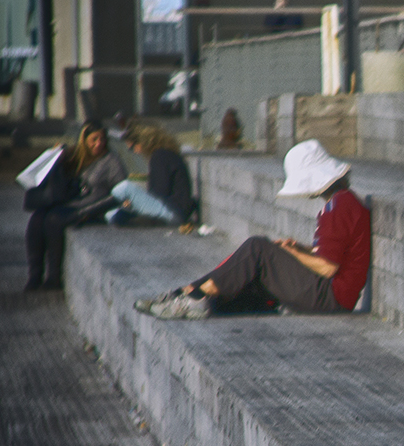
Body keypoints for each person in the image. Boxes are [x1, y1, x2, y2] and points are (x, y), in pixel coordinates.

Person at [134, 139, 370, 319]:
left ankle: (190, 294)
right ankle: (194, 299)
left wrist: (292, 254)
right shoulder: (342, 202)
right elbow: (329, 254)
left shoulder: (339, 206)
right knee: (251, 278)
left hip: (331, 298)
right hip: (332, 297)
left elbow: (328, 267)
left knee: (257, 248)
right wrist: (301, 249)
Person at [25, 120, 127, 291]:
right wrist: (56, 157)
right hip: (70, 203)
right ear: (84, 140)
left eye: (102, 139)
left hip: (93, 207)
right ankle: (34, 275)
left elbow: (121, 190)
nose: (98, 144)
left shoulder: (111, 161)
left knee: (53, 220)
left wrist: (94, 210)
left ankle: (54, 277)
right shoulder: (75, 156)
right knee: (37, 219)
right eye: (94, 139)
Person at [105, 123, 194, 226]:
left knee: (124, 188)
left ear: (142, 142)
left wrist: (135, 202)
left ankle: (100, 211)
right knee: (110, 215)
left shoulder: (159, 156)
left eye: (132, 148)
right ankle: (119, 215)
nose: (135, 151)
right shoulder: (165, 154)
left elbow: (159, 193)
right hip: (175, 212)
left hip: (173, 212)